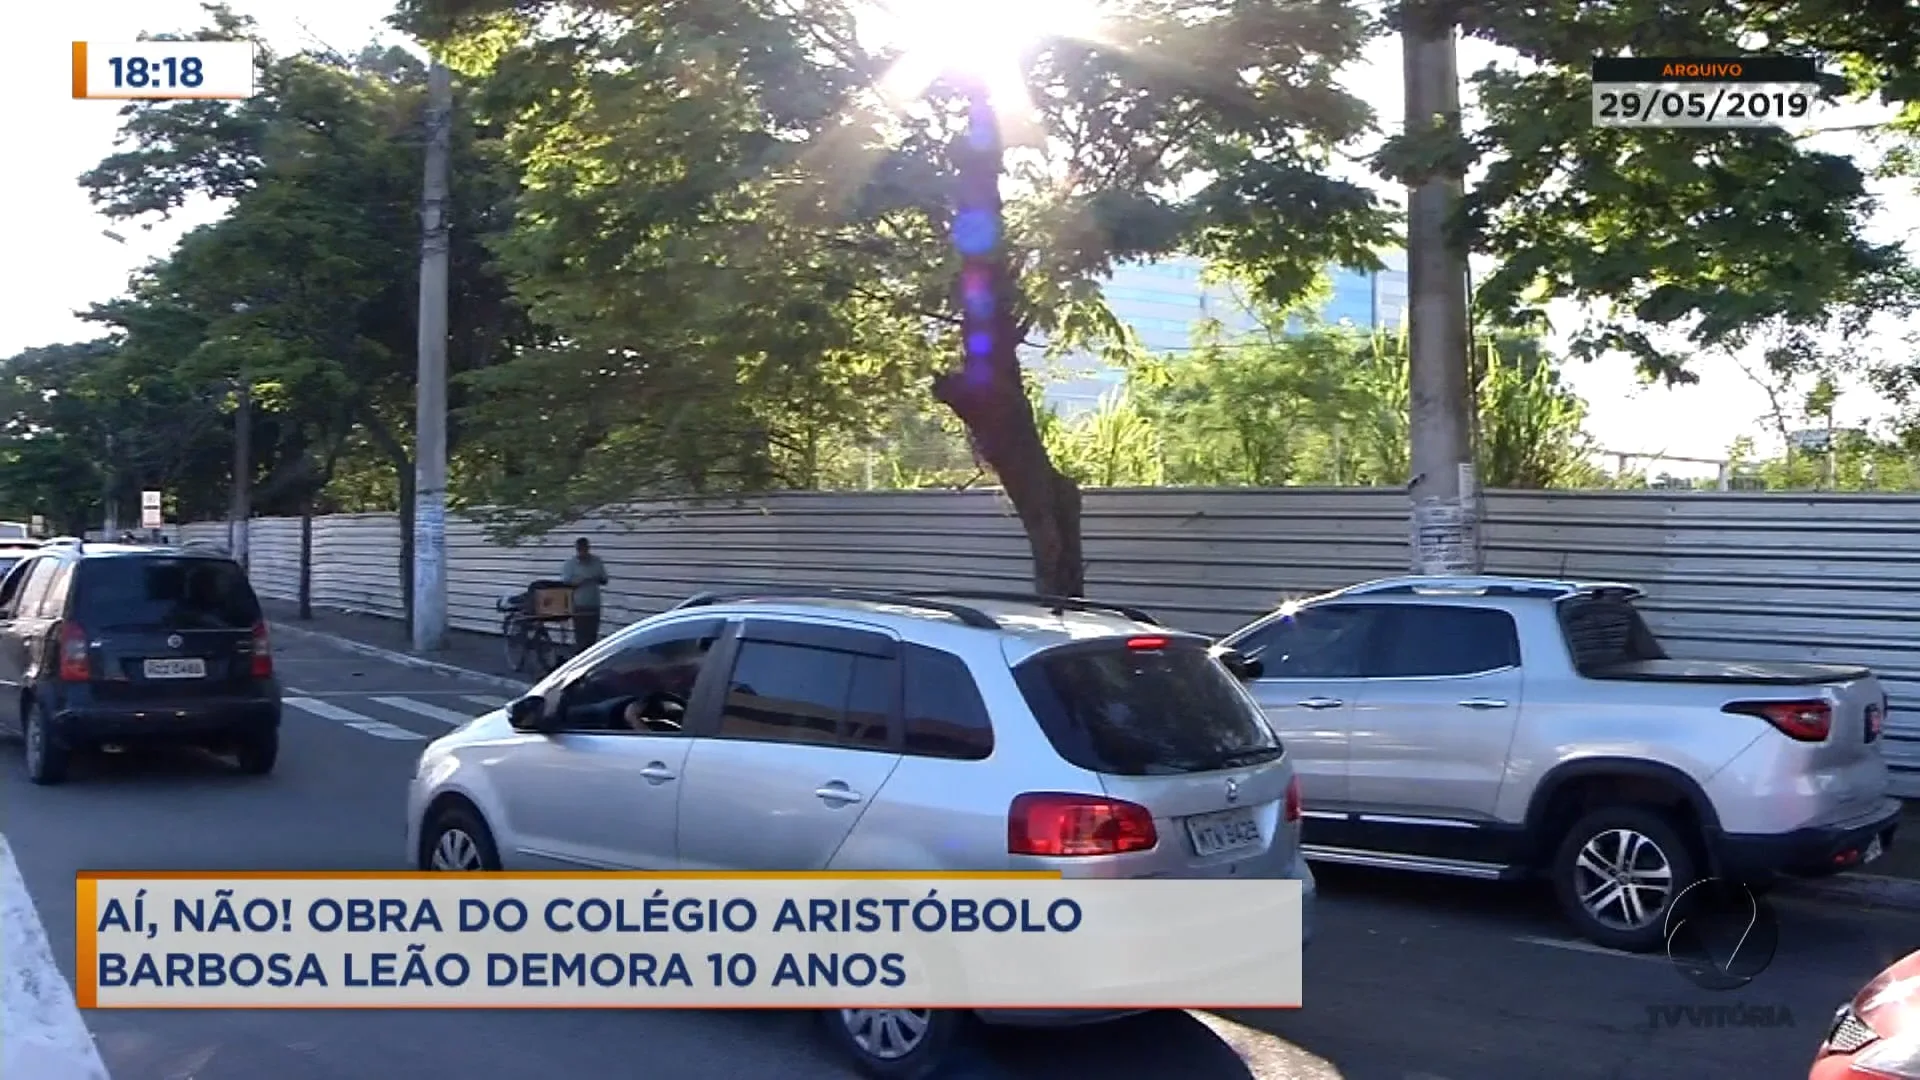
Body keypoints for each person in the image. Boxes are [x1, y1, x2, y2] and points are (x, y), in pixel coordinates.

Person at [561, 537, 610, 649]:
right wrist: (578, 582)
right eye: (580, 549)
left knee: (592, 635)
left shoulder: (596, 561)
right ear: (577, 549)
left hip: (594, 603)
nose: (583, 552)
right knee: (581, 635)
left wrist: (595, 578)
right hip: (579, 604)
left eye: (585, 549)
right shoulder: (570, 564)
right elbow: (565, 584)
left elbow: (605, 580)